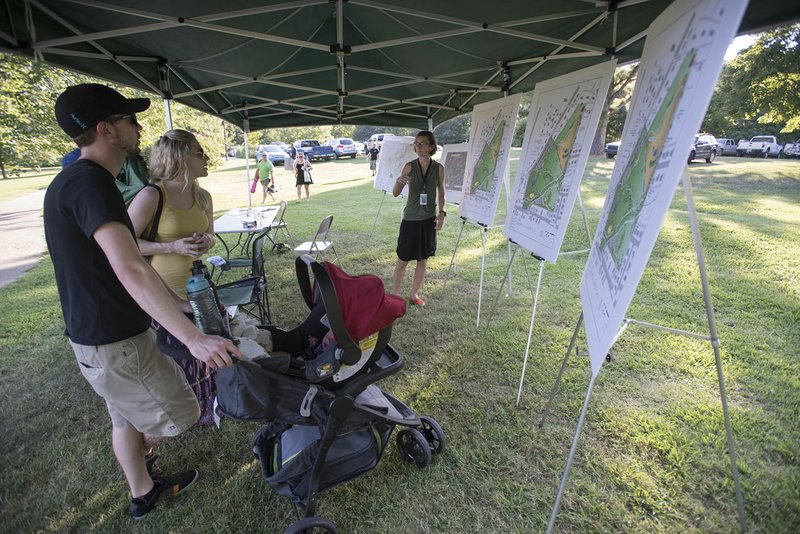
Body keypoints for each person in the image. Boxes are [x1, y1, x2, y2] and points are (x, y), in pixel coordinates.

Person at [44, 83, 241, 520]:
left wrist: (178, 302)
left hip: (104, 335)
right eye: (129, 120)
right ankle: (146, 464)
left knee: (125, 418)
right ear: (106, 130)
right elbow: (132, 265)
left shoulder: (79, 181)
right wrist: (193, 339)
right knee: (182, 412)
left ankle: (143, 492)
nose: (138, 127)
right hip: (114, 339)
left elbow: (119, 264)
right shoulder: (91, 184)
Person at [128, 130, 220, 427]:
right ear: (180, 157)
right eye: (199, 152)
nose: (206, 157)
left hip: (197, 286)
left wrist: (206, 241)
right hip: (160, 290)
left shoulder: (203, 195)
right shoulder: (152, 195)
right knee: (174, 355)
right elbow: (123, 245)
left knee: (203, 349)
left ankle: (208, 406)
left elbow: (212, 235)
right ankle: (182, 411)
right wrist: (171, 246)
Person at [390, 131, 446, 306]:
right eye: (417, 143)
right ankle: (394, 296)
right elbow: (395, 193)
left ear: (431, 146)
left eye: (422, 143)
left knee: (423, 259)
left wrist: (442, 213)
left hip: (428, 220)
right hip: (410, 220)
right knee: (403, 260)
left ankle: (414, 294)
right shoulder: (409, 166)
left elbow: (441, 193)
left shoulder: (438, 168)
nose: (419, 147)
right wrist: (399, 182)